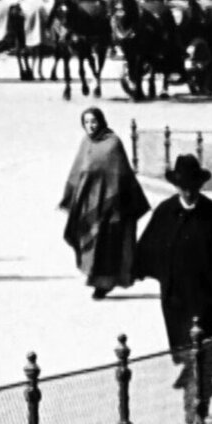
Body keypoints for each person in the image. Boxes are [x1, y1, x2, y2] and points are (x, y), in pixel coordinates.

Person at [137, 153, 212, 417]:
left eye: (192, 187)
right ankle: (196, 398)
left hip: (211, 297)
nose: (188, 193)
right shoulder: (165, 212)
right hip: (178, 301)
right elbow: (147, 247)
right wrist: (137, 270)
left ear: (199, 185)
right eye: (183, 187)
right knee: (190, 350)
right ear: (177, 186)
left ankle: (197, 391)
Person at [59, 106, 150, 299]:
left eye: (94, 122)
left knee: (106, 245)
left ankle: (103, 284)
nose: (90, 126)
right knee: (90, 241)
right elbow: (78, 172)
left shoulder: (113, 143)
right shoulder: (86, 142)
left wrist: (115, 201)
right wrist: (72, 196)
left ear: (101, 121)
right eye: (86, 122)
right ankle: (93, 277)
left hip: (111, 205)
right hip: (89, 203)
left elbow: (121, 174)